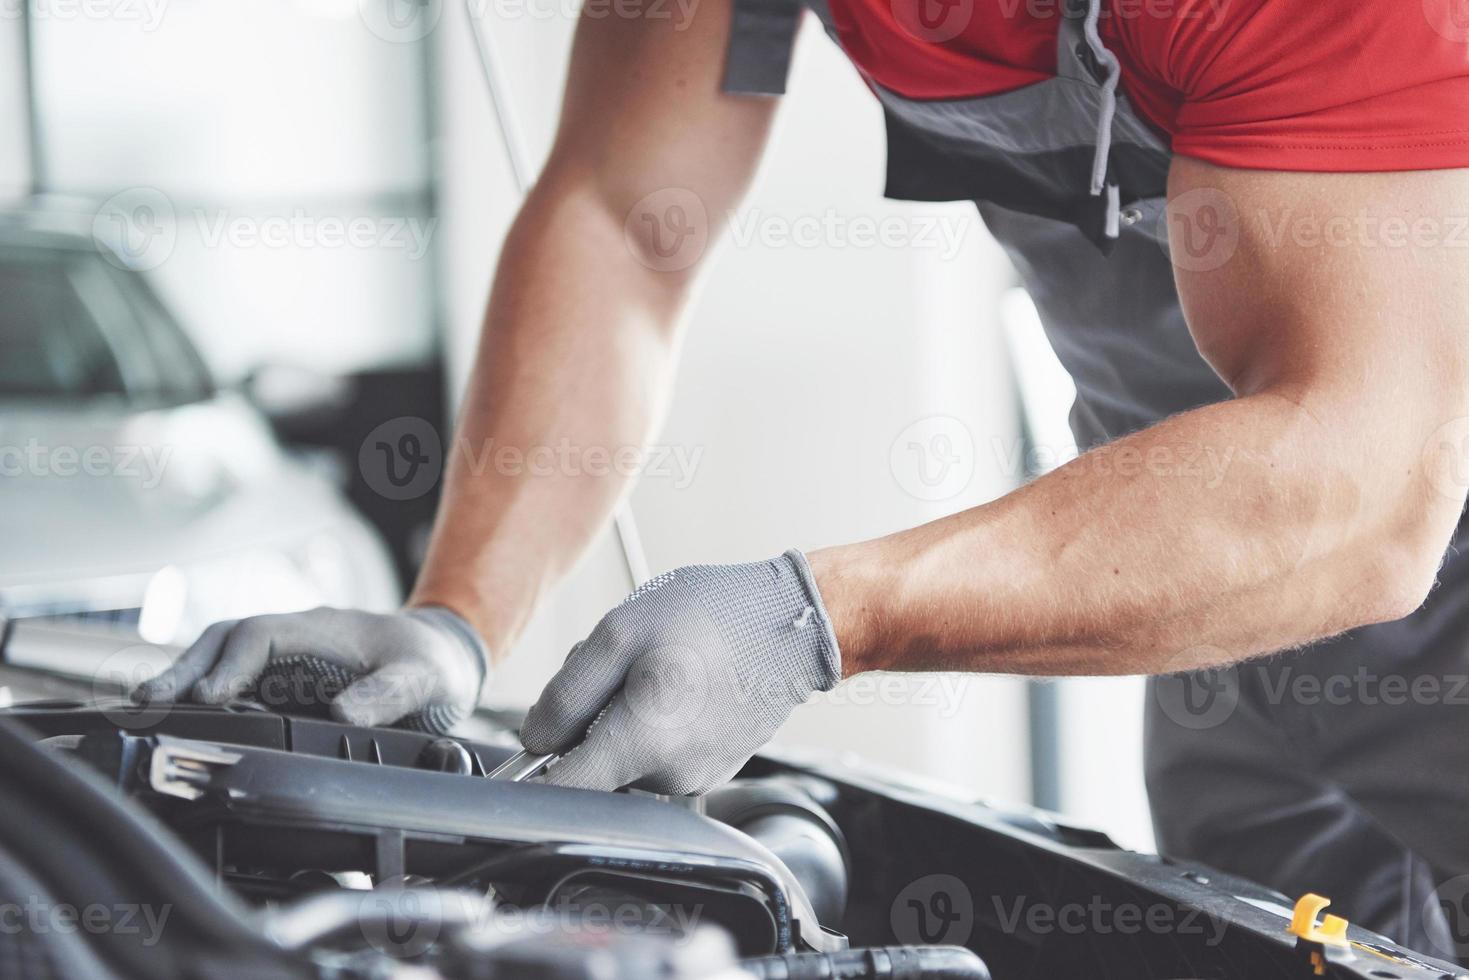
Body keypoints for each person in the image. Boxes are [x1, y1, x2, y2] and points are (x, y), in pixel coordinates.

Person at [138, 0, 1469, 954]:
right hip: (1206, 586)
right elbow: (618, 213)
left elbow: (1365, 482)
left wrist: (814, 617)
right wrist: (454, 619)